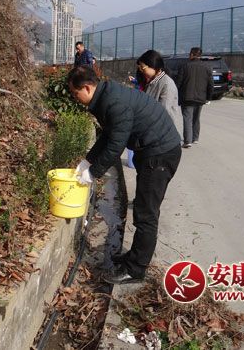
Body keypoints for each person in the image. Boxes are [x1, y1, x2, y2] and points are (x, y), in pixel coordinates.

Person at [68, 66, 182, 284]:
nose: (75, 98)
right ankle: (134, 257)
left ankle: (136, 270)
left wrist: (93, 173)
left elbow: (115, 146)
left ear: (87, 88)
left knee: (146, 213)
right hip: (152, 150)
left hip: (160, 154)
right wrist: (88, 160)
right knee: (142, 208)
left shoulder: (113, 102)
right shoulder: (106, 96)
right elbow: (108, 135)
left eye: (75, 93)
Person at [174, 47, 213, 148]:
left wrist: (175, 94)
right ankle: (195, 138)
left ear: (192, 54)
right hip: (201, 97)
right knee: (196, 118)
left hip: (187, 97)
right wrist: (208, 98)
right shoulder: (207, 67)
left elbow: (179, 82)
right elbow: (210, 84)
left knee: (187, 118)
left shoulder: (184, 66)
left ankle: (187, 141)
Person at [136, 49, 180, 127]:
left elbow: (163, 111)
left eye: (143, 68)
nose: (141, 71)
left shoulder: (166, 84)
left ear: (153, 66)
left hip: (161, 128)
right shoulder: (152, 81)